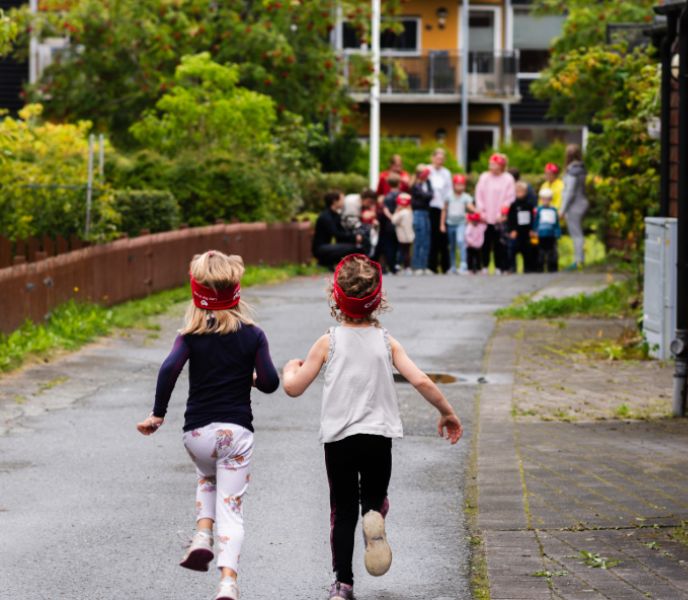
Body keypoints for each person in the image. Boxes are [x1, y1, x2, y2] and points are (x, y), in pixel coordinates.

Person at [281, 254, 463, 600]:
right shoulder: (386, 341)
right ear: (378, 299)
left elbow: (294, 388)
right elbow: (421, 380)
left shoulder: (328, 341)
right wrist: (447, 412)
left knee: (342, 510)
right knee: (373, 499)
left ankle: (343, 584)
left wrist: (291, 368)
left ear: (335, 297)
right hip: (379, 437)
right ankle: (375, 514)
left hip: (340, 440)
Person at [136, 250, 280, 600]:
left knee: (207, 477)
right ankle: (228, 582)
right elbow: (271, 382)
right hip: (237, 434)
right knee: (231, 507)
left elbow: (169, 369)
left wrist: (158, 413)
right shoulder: (253, 334)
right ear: (236, 290)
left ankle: (202, 534)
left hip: (197, 434)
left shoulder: (189, 335)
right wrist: (252, 379)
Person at [474, 153, 515, 274]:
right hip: (486, 216)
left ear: (501, 166)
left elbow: (509, 197)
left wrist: (502, 212)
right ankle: (485, 266)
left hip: (499, 217)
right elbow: (479, 195)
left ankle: (499, 266)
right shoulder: (484, 177)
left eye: (494, 164)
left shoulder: (508, 178)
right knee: (485, 242)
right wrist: (481, 211)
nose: (491, 166)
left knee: (499, 243)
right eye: (490, 164)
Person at [313, 191, 365, 269]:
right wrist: (354, 237)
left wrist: (354, 237)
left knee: (357, 247)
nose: (344, 202)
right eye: (342, 200)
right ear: (334, 201)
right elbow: (336, 233)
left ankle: (333, 263)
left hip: (328, 246)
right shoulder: (326, 216)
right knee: (353, 248)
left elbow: (342, 232)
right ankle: (325, 262)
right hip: (321, 248)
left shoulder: (336, 215)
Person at [561, 145, 589, 270]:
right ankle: (579, 260)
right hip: (582, 202)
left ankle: (578, 261)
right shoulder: (582, 169)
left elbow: (569, 192)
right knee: (578, 233)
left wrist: (562, 210)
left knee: (576, 234)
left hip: (574, 205)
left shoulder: (572, 171)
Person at [441, 174, 473, 274]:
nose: (460, 187)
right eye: (457, 185)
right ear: (453, 185)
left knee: (460, 241)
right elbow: (444, 210)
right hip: (450, 223)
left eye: (462, 185)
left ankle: (463, 265)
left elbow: (470, 206)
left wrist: (477, 211)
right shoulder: (448, 197)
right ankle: (453, 266)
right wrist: (442, 224)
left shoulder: (466, 197)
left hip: (461, 223)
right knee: (452, 246)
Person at [427, 148, 452, 274]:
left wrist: (446, 207)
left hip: (442, 208)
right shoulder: (428, 170)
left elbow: (448, 191)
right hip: (430, 208)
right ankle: (431, 266)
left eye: (442, 159)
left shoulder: (446, 173)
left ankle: (445, 266)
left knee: (443, 238)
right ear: (433, 158)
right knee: (432, 237)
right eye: (437, 158)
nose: (439, 161)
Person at [507, 181, 537, 273]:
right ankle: (512, 267)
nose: (520, 194)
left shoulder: (529, 205)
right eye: (518, 192)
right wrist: (512, 230)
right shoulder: (513, 206)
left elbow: (532, 218)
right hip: (516, 232)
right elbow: (510, 219)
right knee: (512, 250)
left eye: (522, 191)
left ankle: (527, 268)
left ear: (526, 192)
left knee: (527, 251)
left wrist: (532, 229)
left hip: (526, 232)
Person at [410, 165, 434, 275]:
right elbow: (425, 196)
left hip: (426, 213)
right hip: (418, 213)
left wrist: (428, 184)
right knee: (419, 239)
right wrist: (428, 194)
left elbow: (431, 195)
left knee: (426, 239)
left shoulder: (427, 184)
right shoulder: (415, 185)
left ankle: (424, 266)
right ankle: (417, 266)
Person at [377, 174, 402, 273]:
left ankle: (390, 265)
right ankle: (396, 264)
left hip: (389, 223)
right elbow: (401, 208)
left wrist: (391, 217)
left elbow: (385, 209)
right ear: (399, 184)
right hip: (399, 223)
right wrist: (395, 217)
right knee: (398, 245)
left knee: (390, 245)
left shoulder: (387, 196)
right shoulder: (400, 195)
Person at [535, 188, 561, 273]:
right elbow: (536, 222)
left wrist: (557, 232)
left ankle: (552, 268)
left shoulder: (553, 210)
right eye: (543, 198)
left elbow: (556, 223)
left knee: (552, 252)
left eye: (548, 199)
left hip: (551, 234)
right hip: (541, 234)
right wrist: (534, 231)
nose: (545, 201)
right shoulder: (539, 210)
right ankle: (540, 268)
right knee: (541, 252)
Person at [391, 193, 415, 274]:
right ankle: (407, 267)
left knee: (402, 251)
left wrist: (396, 211)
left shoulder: (401, 213)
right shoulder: (410, 212)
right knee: (407, 251)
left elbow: (394, 220)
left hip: (402, 236)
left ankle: (399, 265)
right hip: (409, 235)